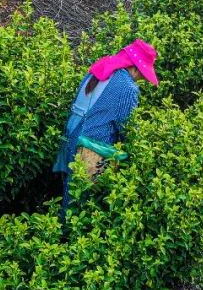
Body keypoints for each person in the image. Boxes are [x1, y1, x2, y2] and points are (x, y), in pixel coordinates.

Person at [53, 39, 159, 218]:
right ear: (135, 68)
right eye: (142, 75)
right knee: (80, 206)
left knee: (69, 196)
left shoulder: (100, 67)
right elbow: (126, 127)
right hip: (91, 149)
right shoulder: (127, 87)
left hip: (71, 136)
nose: (141, 79)